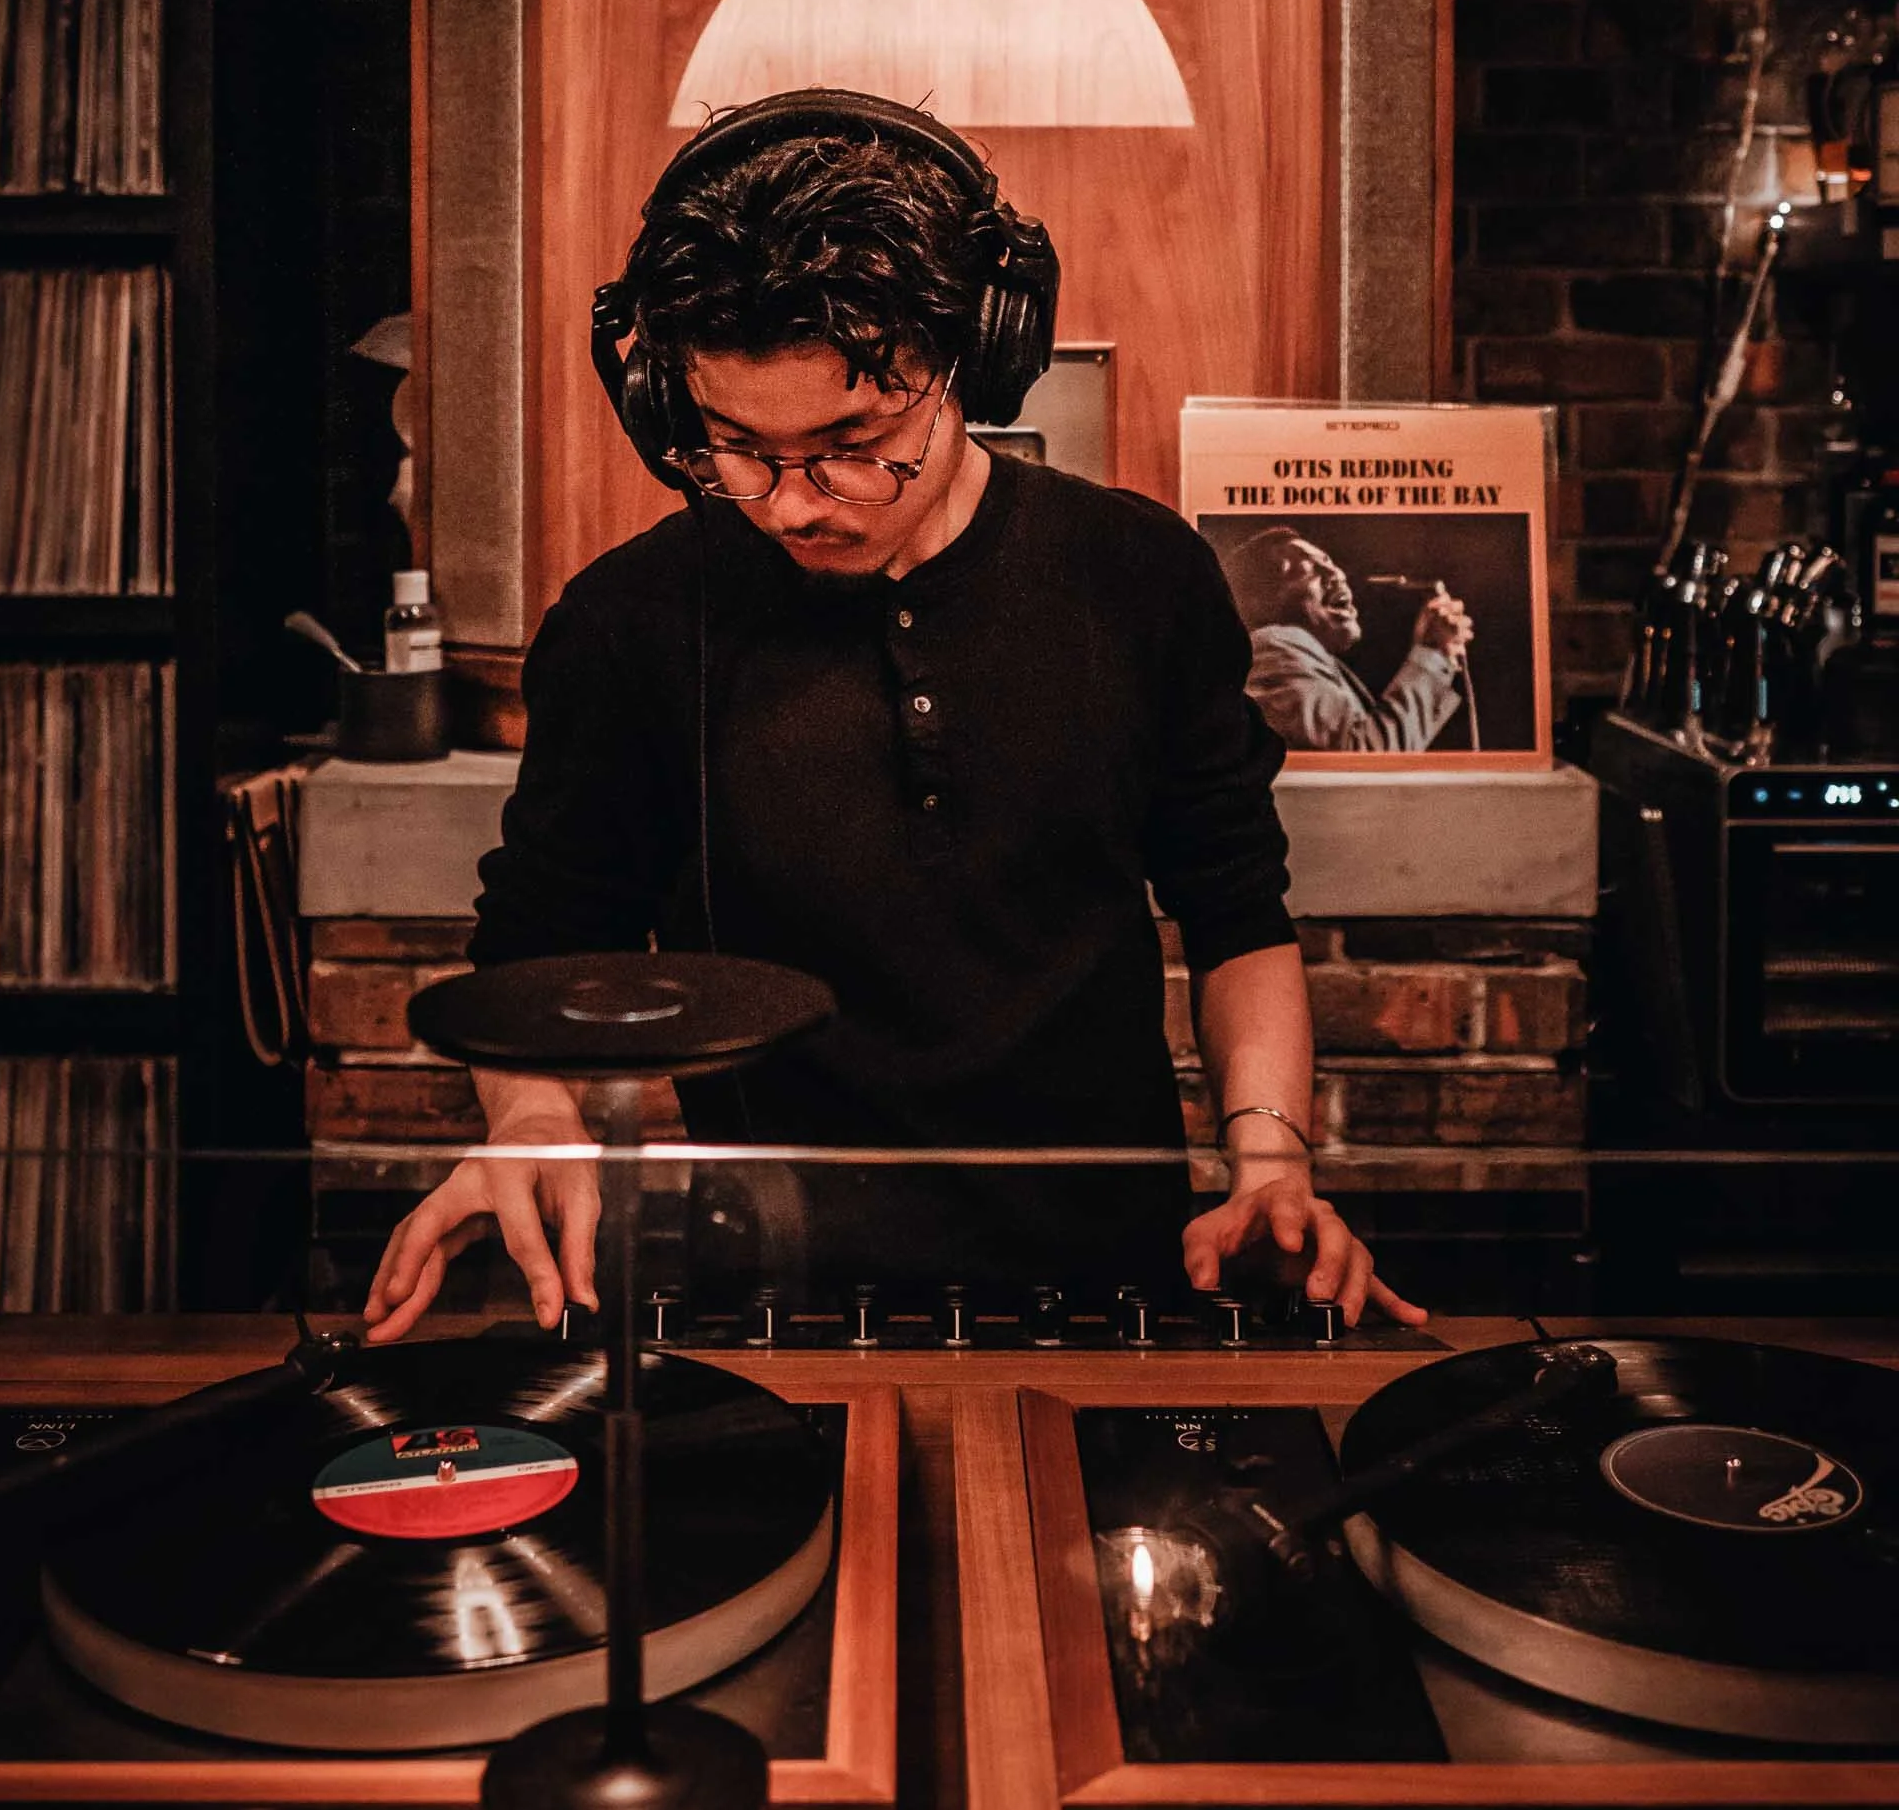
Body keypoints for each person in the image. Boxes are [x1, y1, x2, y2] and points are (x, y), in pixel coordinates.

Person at [365, 94, 1425, 1342]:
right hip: (767, 1298)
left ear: (972, 361)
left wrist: (1270, 1165)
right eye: (736, 447)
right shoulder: (628, 620)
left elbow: (1234, 909)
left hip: (1112, 1283)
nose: (793, 503)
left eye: (855, 442)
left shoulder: (1137, 576)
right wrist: (533, 1119)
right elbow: (539, 943)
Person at [1224, 530, 1474, 754]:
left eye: (1328, 563)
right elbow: (1364, 756)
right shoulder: (1272, 646)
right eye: (1309, 569)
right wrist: (1432, 653)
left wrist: (1438, 654)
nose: (1337, 574)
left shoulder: (1306, 662)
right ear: (1261, 601)